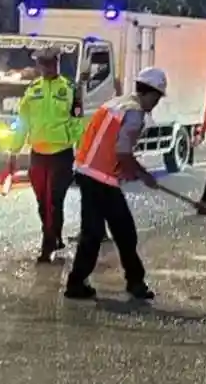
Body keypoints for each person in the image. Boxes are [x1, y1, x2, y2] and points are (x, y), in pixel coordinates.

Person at [64, 66, 167, 302]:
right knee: (120, 232)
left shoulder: (116, 103)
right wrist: (144, 175)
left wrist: (127, 170)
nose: (157, 103)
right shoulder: (135, 113)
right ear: (151, 93)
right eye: (158, 98)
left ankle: (83, 282)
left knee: (100, 231)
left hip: (86, 170)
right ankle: (129, 282)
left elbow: (109, 145)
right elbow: (122, 152)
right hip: (100, 178)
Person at [9, 45, 84, 262]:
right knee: (42, 202)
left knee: (54, 201)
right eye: (44, 63)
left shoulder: (70, 89)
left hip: (61, 154)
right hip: (38, 154)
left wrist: (80, 152)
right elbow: (22, 123)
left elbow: (77, 122)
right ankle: (54, 235)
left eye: (53, 63)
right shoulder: (32, 90)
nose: (49, 67)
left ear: (58, 63)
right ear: (38, 66)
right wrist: (14, 151)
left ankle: (48, 244)